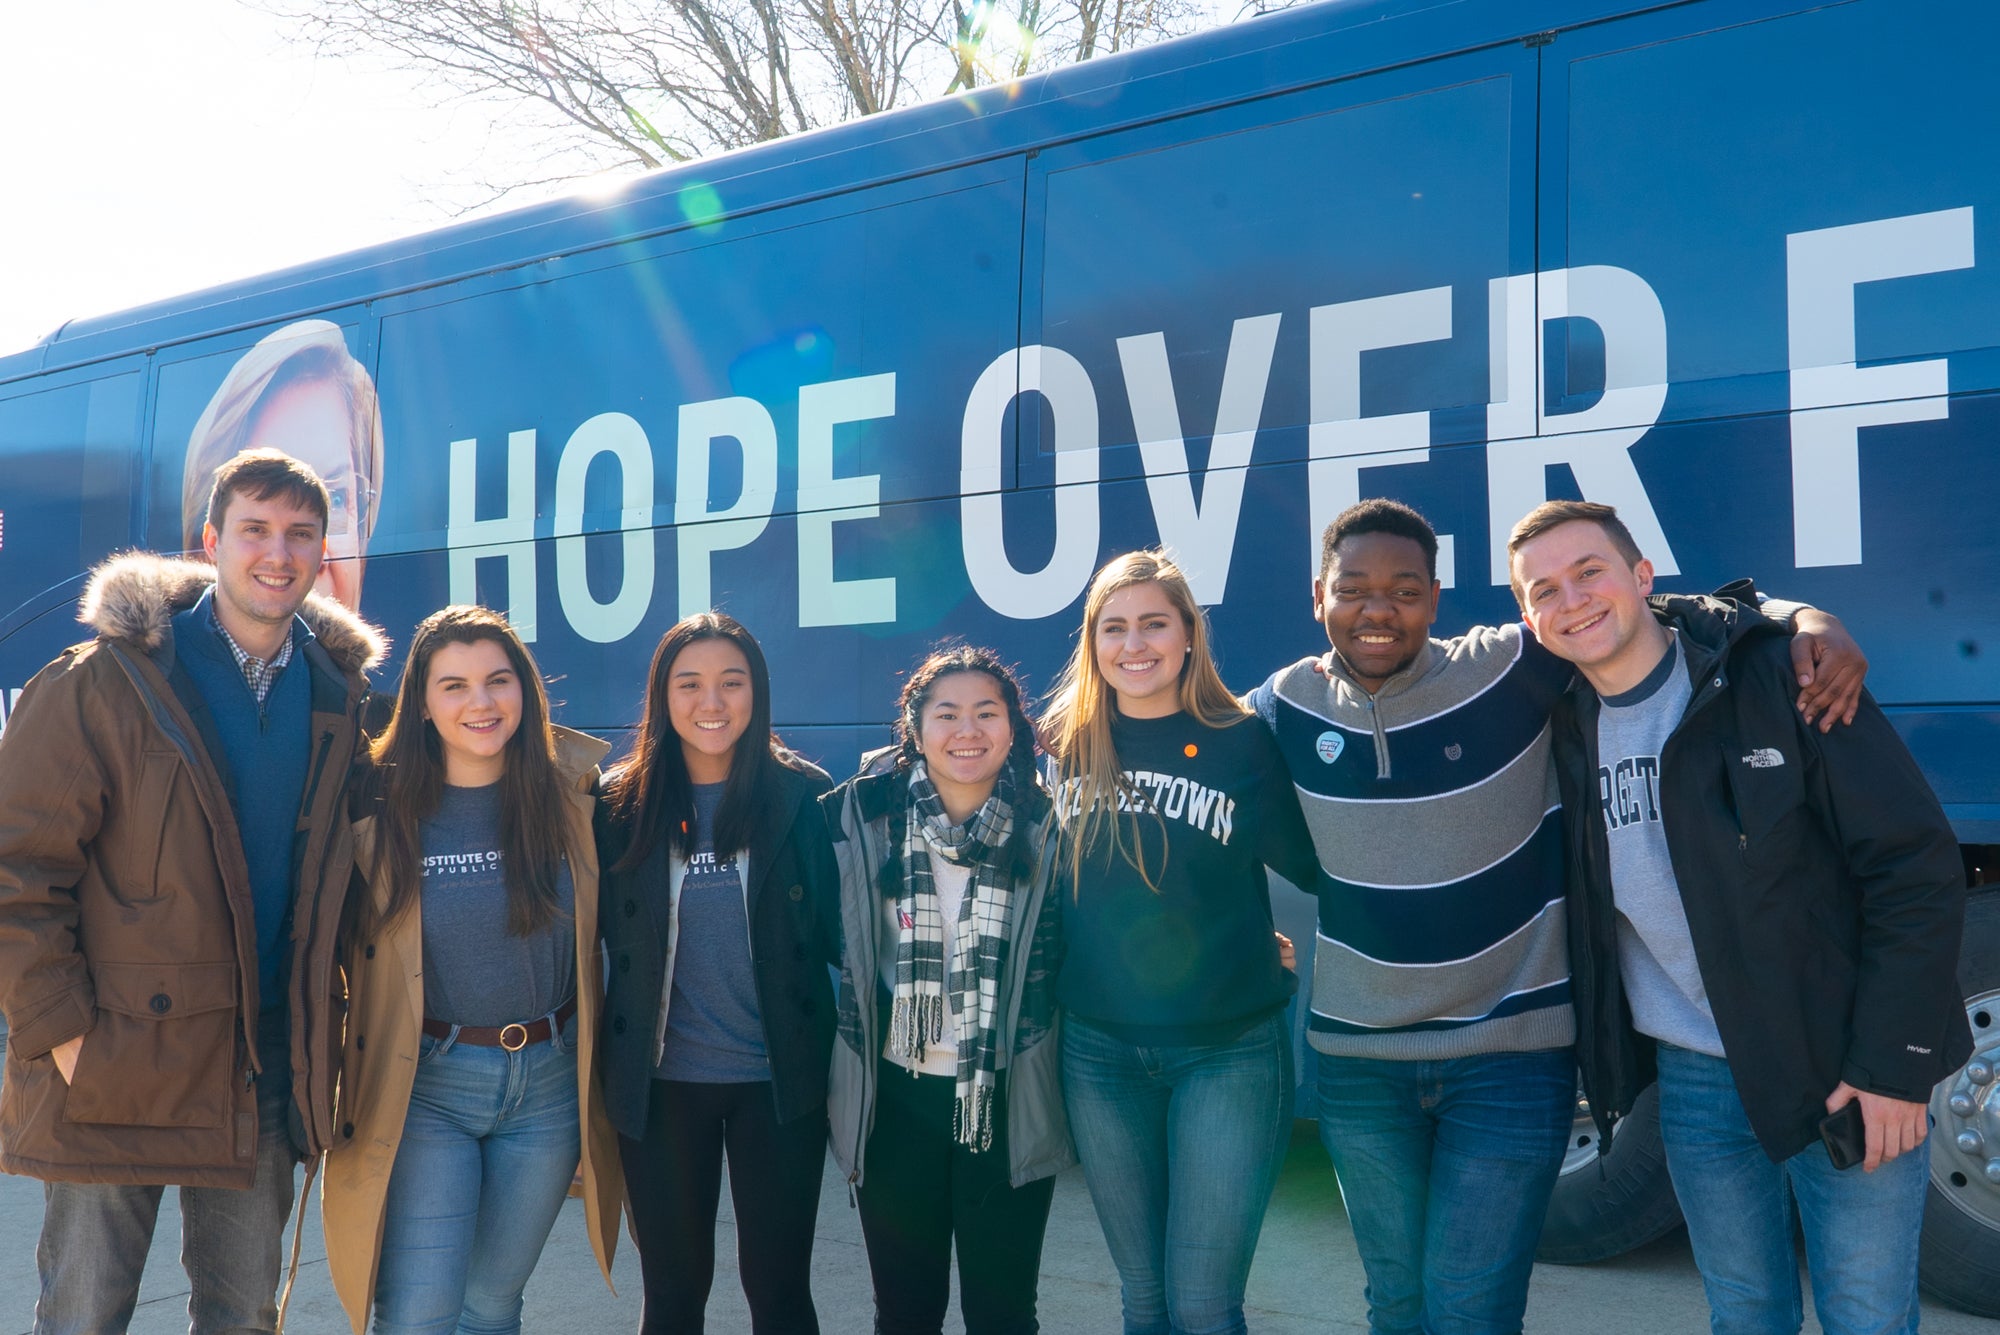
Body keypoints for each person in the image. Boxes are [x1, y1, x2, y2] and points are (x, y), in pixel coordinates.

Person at [1243, 498, 1869, 1335]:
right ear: (1319, 596)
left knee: (1470, 1307)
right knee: (1396, 1304)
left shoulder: (1511, 664)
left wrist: (1808, 618)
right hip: (1359, 1068)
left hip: (1508, 1062)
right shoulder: (1283, 705)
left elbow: (1654, 613)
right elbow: (1194, 748)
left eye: (1403, 589)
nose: (1377, 609)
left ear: (1436, 597)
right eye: (1353, 589)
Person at [1508, 499, 1969, 1335]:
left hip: (1838, 1063)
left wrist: (1895, 1066)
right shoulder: (1562, 722)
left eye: (1589, 571)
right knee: (1744, 1313)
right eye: (1542, 590)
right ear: (1528, 619)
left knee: (1866, 1316)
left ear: (1643, 577)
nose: (1569, 599)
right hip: (1695, 1081)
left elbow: (1915, 865)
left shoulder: (1778, 676)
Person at [0, 449, 384, 1333]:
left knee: (242, 1316)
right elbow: (19, 866)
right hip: (112, 1067)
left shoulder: (338, 696)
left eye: (300, 534)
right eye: (254, 529)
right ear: (211, 541)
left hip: (260, 1068)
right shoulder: (101, 681)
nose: (277, 553)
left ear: (322, 554)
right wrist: (63, 1035)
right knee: (83, 1316)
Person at [321, 605, 621, 1333]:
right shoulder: (376, 808)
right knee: (420, 1312)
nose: (480, 703)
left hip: (548, 1087)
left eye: (497, 680)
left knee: (491, 1306)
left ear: (526, 689)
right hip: (429, 1085)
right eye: (453, 685)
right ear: (421, 701)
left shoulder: (577, 794)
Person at [1042, 548, 1318, 1335]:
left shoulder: (1243, 740)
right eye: (1114, 626)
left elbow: (1321, 863)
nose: (1135, 644)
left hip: (1228, 1050)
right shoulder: (1068, 743)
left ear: (1189, 634)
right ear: (1093, 642)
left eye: (1154, 624)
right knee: (1146, 1301)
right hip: (1098, 1054)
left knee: (1201, 1304)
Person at [596, 612, 840, 1334]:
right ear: (661, 696)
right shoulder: (617, 803)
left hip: (779, 1082)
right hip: (661, 1085)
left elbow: (837, 931)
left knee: (781, 1293)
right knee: (671, 1298)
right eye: (690, 683)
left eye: (732, 682)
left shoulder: (803, 795)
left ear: (757, 693)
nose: (712, 702)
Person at [825, 645, 1073, 1335]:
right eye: (948, 713)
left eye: (987, 712)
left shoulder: (1051, 828)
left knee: (1001, 1313)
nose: (968, 730)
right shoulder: (861, 818)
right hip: (895, 1100)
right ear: (915, 728)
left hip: (1003, 1096)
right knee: (904, 1311)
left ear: (1014, 729)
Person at [183, 319, 385, 611]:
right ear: (210, 544)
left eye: (337, 498)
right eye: (256, 525)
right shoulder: (132, 658)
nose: (282, 557)